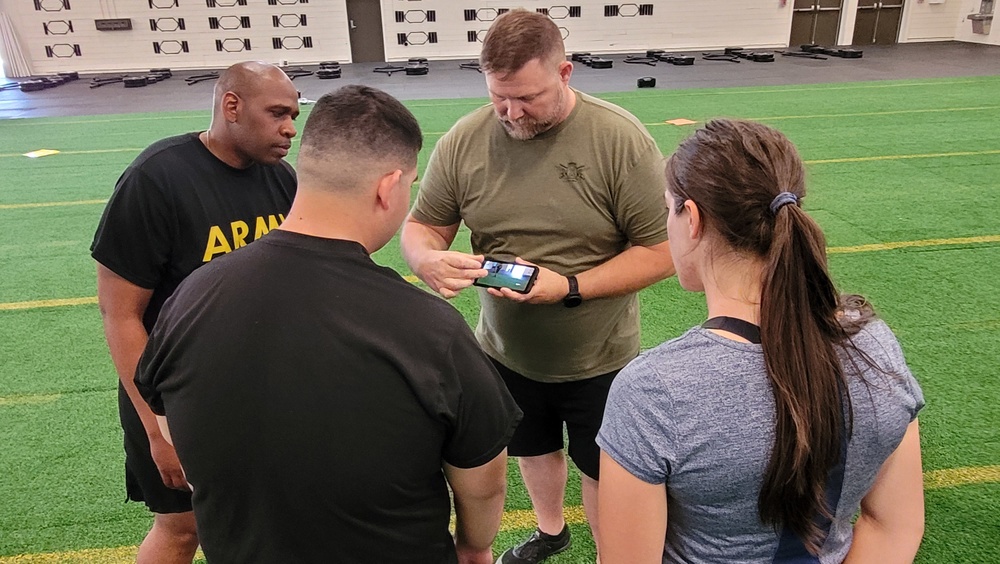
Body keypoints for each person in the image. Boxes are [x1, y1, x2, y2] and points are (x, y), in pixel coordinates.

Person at [133, 85, 523, 564]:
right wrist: (475, 546)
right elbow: (484, 482)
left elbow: (178, 434)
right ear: (388, 186)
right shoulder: (429, 330)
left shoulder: (189, 298)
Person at [400, 9, 675, 563]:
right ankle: (552, 532)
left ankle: (606, 552)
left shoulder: (619, 139)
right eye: (499, 96)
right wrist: (427, 259)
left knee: (601, 465)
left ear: (566, 73)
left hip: (600, 356)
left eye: (527, 97)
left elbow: (663, 250)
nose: (510, 112)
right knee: (532, 444)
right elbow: (423, 224)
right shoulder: (465, 139)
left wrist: (569, 287)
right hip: (504, 352)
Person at [597, 119, 925, 563]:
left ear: (691, 218)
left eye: (667, 208)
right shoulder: (874, 345)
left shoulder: (655, 391)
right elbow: (893, 526)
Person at [91, 61, 299, 562]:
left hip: (259, 389)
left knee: (269, 521)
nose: (290, 128)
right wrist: (157, 428)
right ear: (232, 106)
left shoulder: (282, 180)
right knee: (183, 529)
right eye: (277, 113)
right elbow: (120, 314)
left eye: (293, 114)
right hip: (178, 394)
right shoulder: (156, 178)